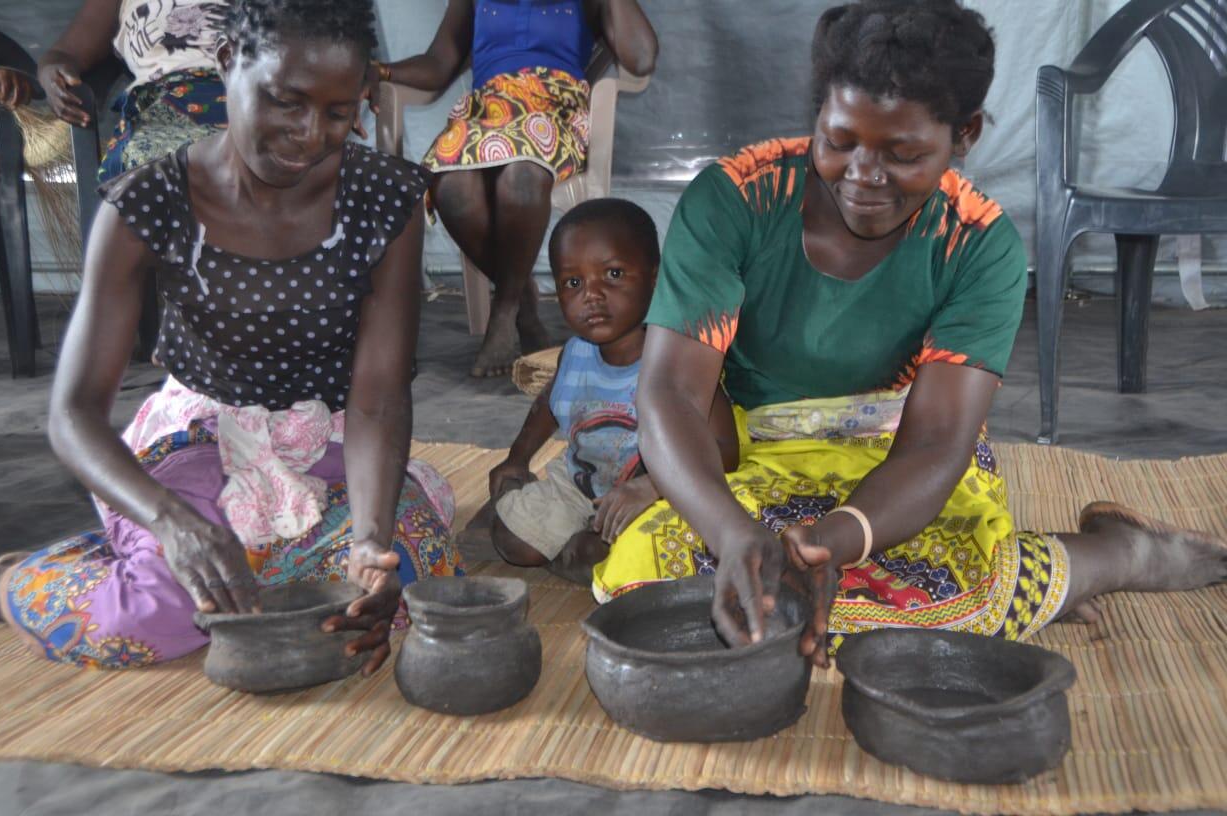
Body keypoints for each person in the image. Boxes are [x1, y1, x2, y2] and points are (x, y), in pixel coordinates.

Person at [596, 0, 1227, 666]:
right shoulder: (735, 200)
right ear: (818, 114)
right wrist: (731, 535)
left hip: (896, 457)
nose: (864, 174)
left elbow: (933, 443)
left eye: (903, 154)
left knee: (958, 591)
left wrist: (835, 542)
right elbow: (671, 394)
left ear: (965, 136)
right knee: (646, 575)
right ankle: (1041, 588)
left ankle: (1115, 554)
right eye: (839, 141)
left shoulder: (979, 247)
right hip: (748, 452)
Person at [0, 0, 462, 674]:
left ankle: (252, 555)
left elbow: (378, 398)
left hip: (322, 440)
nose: (309, 134)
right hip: (199, 441)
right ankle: (20, 578)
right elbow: (72, 416)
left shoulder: (384, 197)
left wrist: (368, 540)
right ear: (226, 64)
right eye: (284, 101)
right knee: (155, 615)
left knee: (405, 581)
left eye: (338, 113)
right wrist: (171, 523)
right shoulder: (147, 202)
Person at [369, 0, 658, 377]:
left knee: (521, 175)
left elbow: (640, 59)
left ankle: (503, 314)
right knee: (450, 184)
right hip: (486, 114)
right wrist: (381, 70)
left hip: (552, 111)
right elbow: (439, 64)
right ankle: (523, 303)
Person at [485, 198, 737, 584]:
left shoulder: (680, 361)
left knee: (645, 550)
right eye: (573, 283)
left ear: (656, 278)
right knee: (512, 543)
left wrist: (652, 486)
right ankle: (574, 543)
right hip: (580, 483)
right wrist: (517, 458)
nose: (592, 295)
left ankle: (585, 550)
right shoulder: (575, 354)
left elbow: (726, 451)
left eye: (614, 274)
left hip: (659, 494)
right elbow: (548, 407)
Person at [0, 0, 231, 182]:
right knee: (141, 167)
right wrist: (52, 75)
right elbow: (67, 54)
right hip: (163, 107)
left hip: (242, 93)